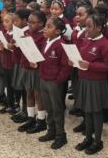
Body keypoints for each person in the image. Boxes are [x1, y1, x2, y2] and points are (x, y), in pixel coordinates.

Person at [73, 14, 108, 155]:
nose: (86, 29)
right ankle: (88, 138)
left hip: (96, 83)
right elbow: (81, 58)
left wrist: (90, 65)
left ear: (99, 28)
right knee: (87, 111)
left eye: (89, 26)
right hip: (84, 80)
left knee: (96, 112)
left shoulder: (105, 44)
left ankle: (97, 141)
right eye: (86, 26)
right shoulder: (86, 41)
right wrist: (74, 61)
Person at [34, 17, 72, 149]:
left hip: (54, 82)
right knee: (48, 107)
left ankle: (61, 136)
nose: (44, 29)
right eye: (45, 26)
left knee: (57, 109)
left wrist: (57, 81)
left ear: (57, 31)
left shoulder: (61, 44)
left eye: (48, 27)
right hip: (43, 79)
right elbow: (43, 59)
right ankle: (51, 131)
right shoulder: (46, 41)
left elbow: (66, 67)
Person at [17, 11, 48, 134]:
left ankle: (41, 120)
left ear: (41, 24)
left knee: (38, 95)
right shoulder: (27, 32)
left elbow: (43, 54)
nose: (29, 24)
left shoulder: (43, 36)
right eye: (28, 22)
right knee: (28, 92)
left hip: (36, 69)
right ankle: (31, 118)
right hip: (26, 66)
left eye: (33, 22)